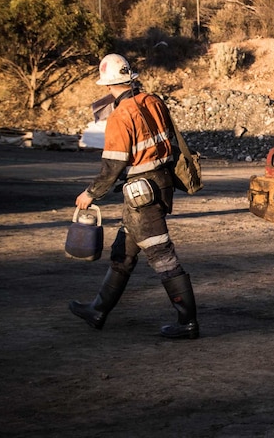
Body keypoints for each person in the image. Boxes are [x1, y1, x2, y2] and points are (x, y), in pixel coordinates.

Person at [69, 53, 199, 340]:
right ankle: (98, 310)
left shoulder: (120, 116)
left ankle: (188, 322)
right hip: (159, 186)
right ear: (131, 77)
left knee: (162, 256)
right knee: (123, 254)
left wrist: (90, 194)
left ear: (107, 85)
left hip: (142, 196)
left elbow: (113, 165)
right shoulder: (154, 102)